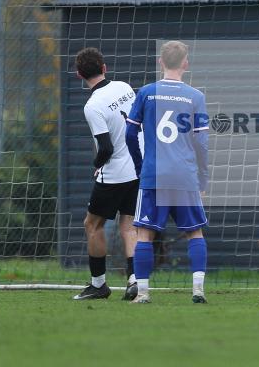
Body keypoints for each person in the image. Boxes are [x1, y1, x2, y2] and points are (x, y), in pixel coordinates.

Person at [124, 41, 210, 304]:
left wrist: (141, 166)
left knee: (144, 233)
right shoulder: (196, 96)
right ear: (186, 63)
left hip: (154, 174)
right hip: (185, 176)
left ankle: (144, 293)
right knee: (195, 232)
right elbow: (202, 144)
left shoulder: (147, 93)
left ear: (161, 62)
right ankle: (197, 290)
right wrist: (202, 176)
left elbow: (129, 134)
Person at [73, 47, 139, 301]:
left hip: (114, 174)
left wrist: (97, 165)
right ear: (104, 68)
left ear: (80, 75)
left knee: (92, 224)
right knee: (129, 226)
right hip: (138, 167)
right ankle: (134, 280)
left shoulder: (93, 106)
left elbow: (106, 147)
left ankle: (98, 284)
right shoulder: (124, 87)